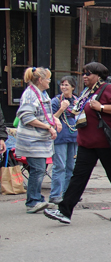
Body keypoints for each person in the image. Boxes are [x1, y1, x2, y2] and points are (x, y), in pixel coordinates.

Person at [44, 62, 111, 225]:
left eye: (88, 73)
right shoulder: (87, 92)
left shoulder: (109, 89)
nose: (84, 76)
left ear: (98, 76)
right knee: (78, 177)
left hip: (105, 143)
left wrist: (102, 107)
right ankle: (64, 211)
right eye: (83, 73)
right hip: (86, 143)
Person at [15, 67, 58, 213]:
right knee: (38, 169)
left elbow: (46, 114)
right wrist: (47, 127)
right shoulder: (30, 95)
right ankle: (32, 201)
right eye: (48, 79)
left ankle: (38, 199)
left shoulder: (42, 93)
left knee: (40, 169)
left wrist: (54, 121)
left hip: (40, 141)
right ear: (40, 80)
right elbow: (27, 117)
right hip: (31, 141)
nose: (49, 81)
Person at [49, 75, 79, 204]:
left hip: (74, 136)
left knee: (71, 167)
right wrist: (62, 108)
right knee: (59, 166)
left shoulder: (77, 101)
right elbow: (51, 119)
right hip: (60, 137)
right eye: (62, 84)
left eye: (66, 85)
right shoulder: (55, 101)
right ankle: (55, 194)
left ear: (73, 87)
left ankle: (68, 193)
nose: (64, 87)